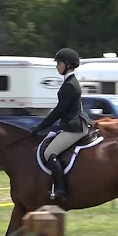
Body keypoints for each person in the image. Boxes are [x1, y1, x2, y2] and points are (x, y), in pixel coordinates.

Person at [29, 48, 93, 203]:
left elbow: (59, 111)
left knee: (49, 153)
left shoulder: (70, 84)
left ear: (68, 65)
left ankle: (61, 190)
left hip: (75, 127)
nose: (57, 66)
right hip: (71, 124)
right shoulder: (69, 82)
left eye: (59, 63)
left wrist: (41, 126)